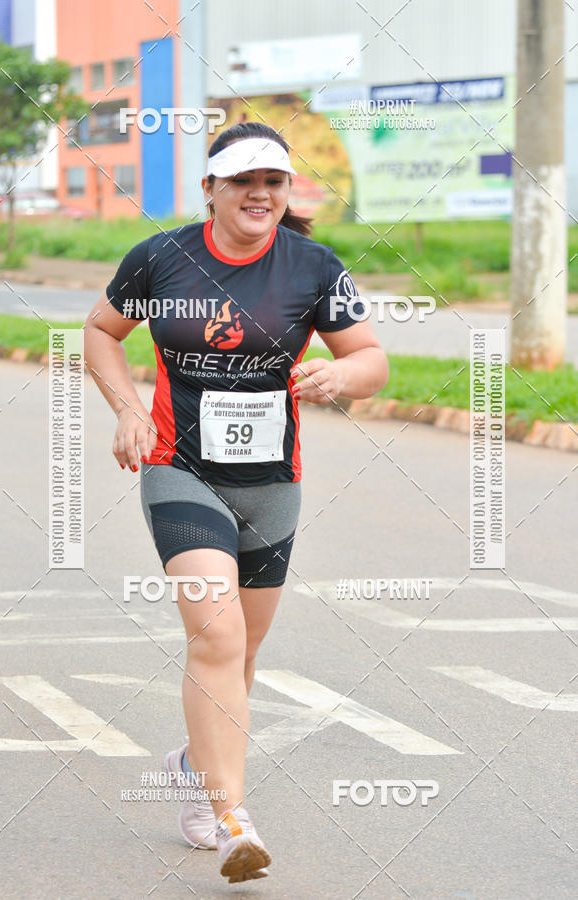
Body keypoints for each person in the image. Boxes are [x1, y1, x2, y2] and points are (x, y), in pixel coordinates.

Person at [84, 121, 389, 883]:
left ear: (288, 191)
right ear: (210, 189)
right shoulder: (161, 258)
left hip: (271, 485)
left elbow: (371, 358)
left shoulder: (314, 266)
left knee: (242, 654)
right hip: (179, 469)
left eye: (275, 181)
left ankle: (194, 764)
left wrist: (342, 379)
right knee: (215, 638)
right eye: (244, 180)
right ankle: (232, 819)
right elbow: (100, 330)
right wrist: (126, 408)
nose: (261, 194)